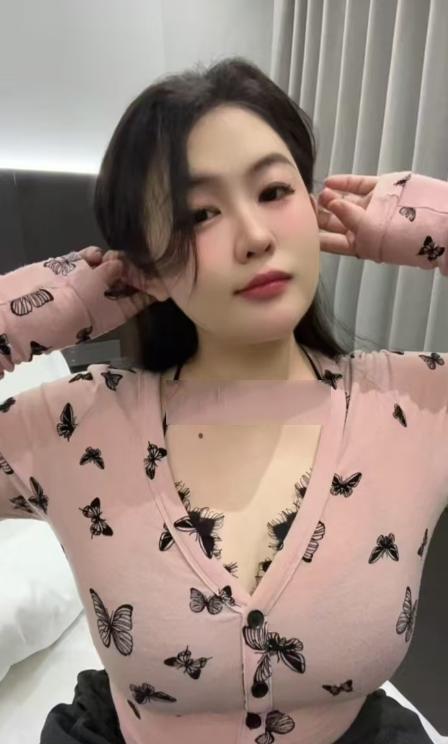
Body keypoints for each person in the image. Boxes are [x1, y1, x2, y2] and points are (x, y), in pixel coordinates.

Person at [1, 57, 446, 744]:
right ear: (144, 264)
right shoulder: (69, 430)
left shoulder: (417, 407)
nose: (256, 236)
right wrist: (47, 305)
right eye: (199, 213)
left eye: (274, 190)